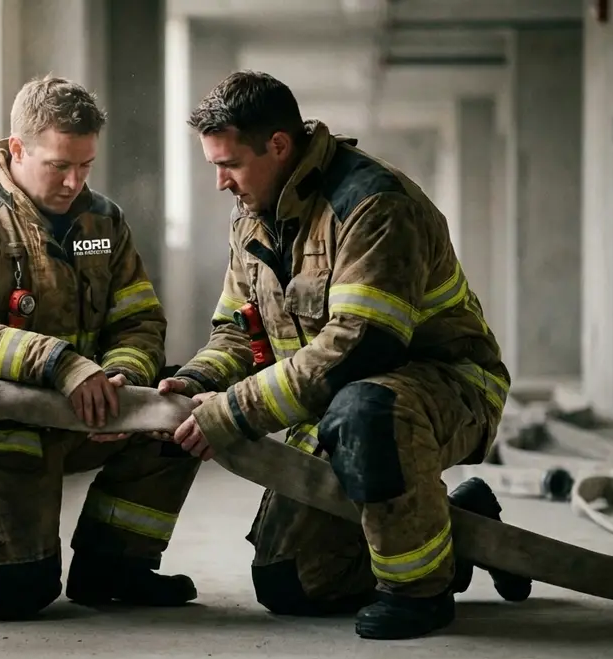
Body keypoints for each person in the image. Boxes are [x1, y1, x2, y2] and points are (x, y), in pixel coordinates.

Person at [157, 70, 530, 640]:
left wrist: (233, 412)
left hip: (444, 388)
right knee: (291, 583)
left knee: (365, 409)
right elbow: (239, 329)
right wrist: (192, 381)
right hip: (336, 404)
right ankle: (461, 523)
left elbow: (362, 346)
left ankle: (420, 593)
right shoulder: (253, 218)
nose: (220, 182)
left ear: (278, 146)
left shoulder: (374, 205)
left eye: (227, 164)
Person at [0, 75, 200, 620]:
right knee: (15, 589)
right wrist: (60, 363)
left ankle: (114, 566)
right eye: (58, 165)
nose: (74, 181)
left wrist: (122, 381)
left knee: (179, 413)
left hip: (72, 414)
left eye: (85, 166)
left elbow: (139, 319)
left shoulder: (102, 221)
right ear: (15, 150)